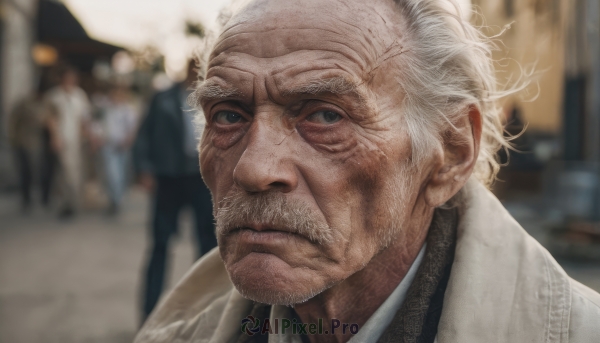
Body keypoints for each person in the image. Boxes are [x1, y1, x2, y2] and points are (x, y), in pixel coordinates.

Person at [135, 0, 600, 342]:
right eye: (229, 115)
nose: (254, 169)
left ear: (451, 151)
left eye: (324, 116)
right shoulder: (180, 332)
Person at [133, 60, 217, 321]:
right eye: (194, 67)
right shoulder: (163, 98)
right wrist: (144, 169)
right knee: (160, 244)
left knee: (208, 245)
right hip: (168, 177)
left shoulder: (212, 97)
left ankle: (204, 312)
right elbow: (144, 135)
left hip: (200, 178)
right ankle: (148, 313)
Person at [44, 66, 91, 219]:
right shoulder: (54, 96)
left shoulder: (79, 95)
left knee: (76, 171)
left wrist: (88, 136)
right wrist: (55, 137)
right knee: (66, 172)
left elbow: (84, 119)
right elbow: (50, 118)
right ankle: (67, 203)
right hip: (62, 137)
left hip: (76, 140)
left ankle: (73, 202)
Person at [100, 84, 137, 215]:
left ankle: (117, 199)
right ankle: (114, 199)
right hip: (109, 146)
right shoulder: (105, 109)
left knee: (121, 175)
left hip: (122, 147)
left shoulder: (128, 110)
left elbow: (132, 129)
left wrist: (128, 141)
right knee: (112, 174)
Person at [7, 85, 45, 212]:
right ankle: (26, 198)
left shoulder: (45, 104)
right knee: (25, 171)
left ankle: (36, 197)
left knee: (35, 171)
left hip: (36, 143)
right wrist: (13, 139)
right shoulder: (23, 104)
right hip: (22, 142)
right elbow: (13, 122)